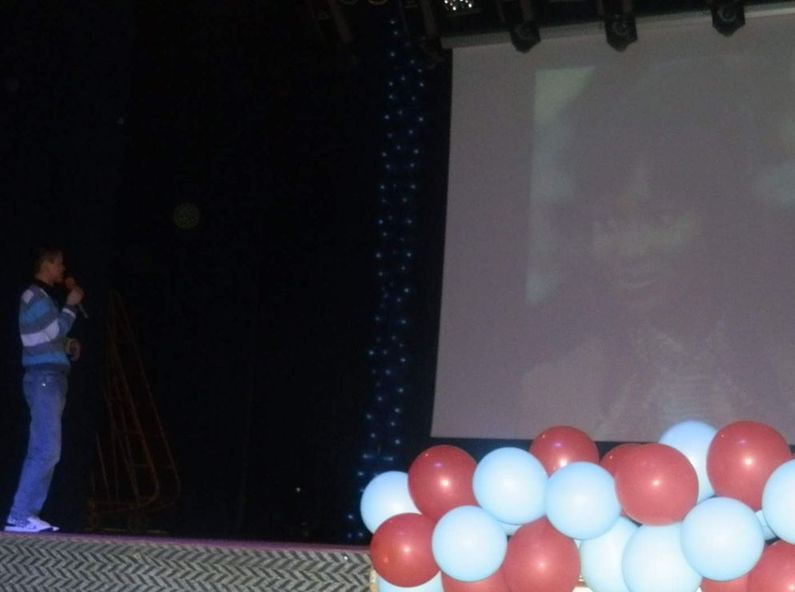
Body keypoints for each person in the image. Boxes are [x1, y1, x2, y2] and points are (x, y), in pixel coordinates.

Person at [517, 59, 795, 441]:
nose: (631, 250)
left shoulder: (784, 367)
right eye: (607, 222)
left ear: (721, 219)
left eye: (662, 217)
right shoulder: (554, 391)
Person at [5, 247, 84, 533]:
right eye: (59, 264)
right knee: (46, 449)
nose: (63, 269)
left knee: (46, 449)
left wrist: (68, 345)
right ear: (47, 264)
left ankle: (24, 514)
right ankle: (20, 515)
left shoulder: (43, 298)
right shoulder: (34, 295)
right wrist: (71, 306)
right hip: (44, 379)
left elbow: (49, 337)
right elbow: (53, 331)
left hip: (51, 378)